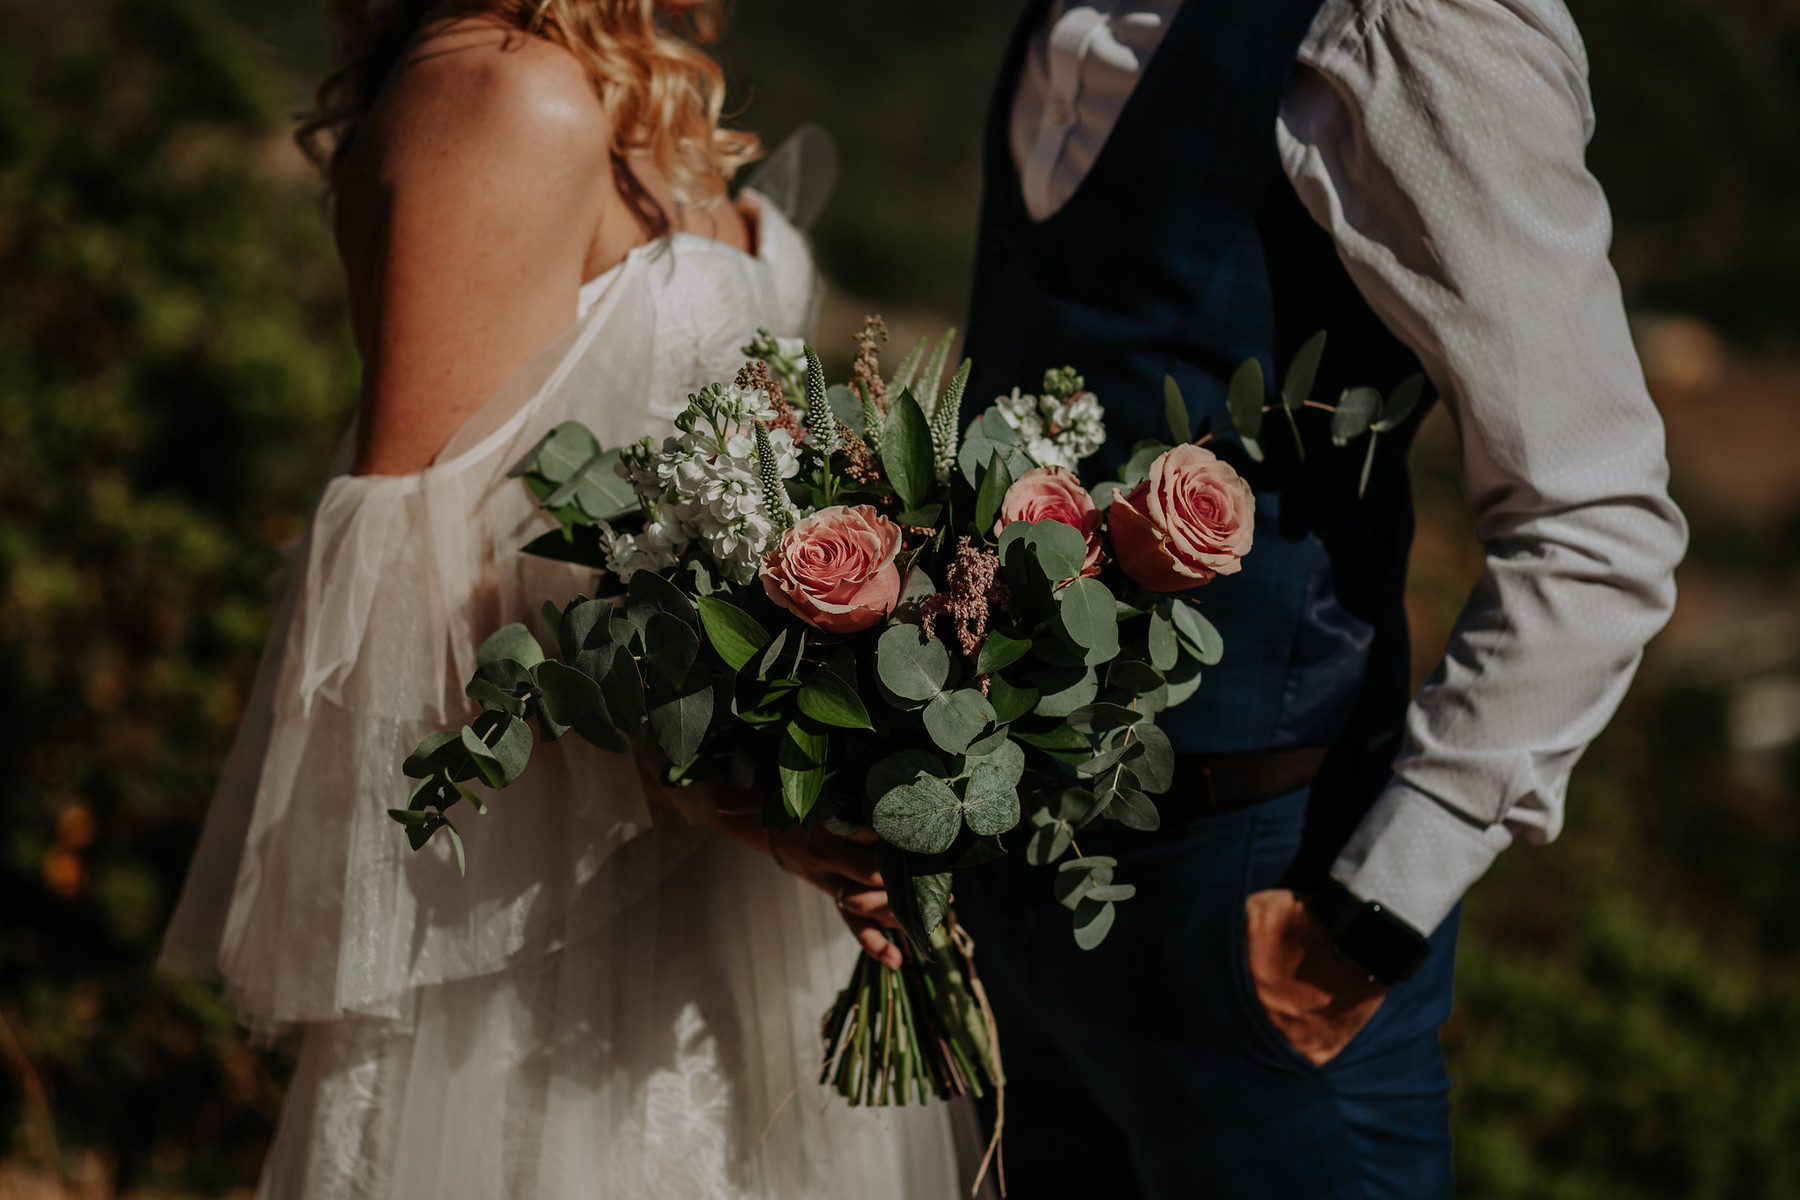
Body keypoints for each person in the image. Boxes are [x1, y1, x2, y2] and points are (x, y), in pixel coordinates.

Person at [158, 3, 960, 1196]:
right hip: (565, 922)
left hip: (744, 903)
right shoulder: (501, 89)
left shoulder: (643, 88)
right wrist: (719, 781)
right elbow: (402, 597)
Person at [953, 0, 1689, 1196]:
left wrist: (1369, 918)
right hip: (1013, 896)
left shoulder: (1415, 24)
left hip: (1260, 906)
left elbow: (1596, 518)